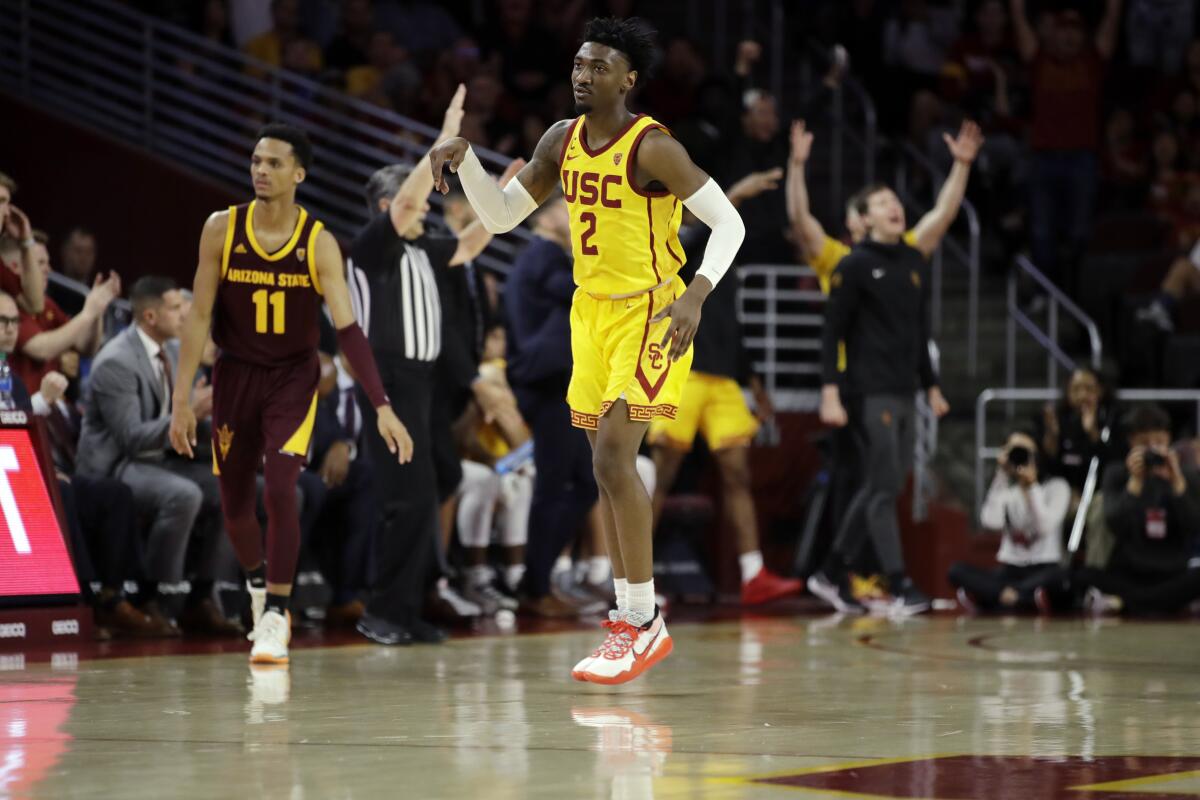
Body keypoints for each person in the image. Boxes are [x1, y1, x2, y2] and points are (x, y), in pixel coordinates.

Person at [430, 16, 746, 684]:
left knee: (611, 454)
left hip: (653, 312)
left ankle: (641, 619)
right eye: (578, 64)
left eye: (598, 66)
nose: (583, 74)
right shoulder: (558, 139)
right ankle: (632, 619)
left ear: (628, 79)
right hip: (592, 313)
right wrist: (468, 165)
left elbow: (729, 223)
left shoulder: (653, 147)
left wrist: (696, 294)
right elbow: (501, 216)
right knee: (603, 467)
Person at [169, 123, 412, 666]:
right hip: (234, 375)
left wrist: (383, 407)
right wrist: (182, 399)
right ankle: (257, 583)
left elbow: (349, 332)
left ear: (299, 174)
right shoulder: (221, 229)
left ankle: (278, 611)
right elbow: (199, 317)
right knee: (235, 502)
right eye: (257, 160)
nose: (261, 170)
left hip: (292, 380)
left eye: (275, 163)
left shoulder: (319, 241)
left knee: (281, 487)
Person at [346, 86, 517, 646]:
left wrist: (509, 194)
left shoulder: (427, 249)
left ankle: (408, 604)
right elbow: (403, 207)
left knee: (433, 487)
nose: (423, 210)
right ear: (385, 208)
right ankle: (381, 611)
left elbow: (471, 242)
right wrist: (441, 143)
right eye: (415, 204)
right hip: (387, 388)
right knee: (408, 498)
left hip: (422, 390)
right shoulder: (372, 249)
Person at [647, 168, 802, 606]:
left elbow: (731, 325)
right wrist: (736, 192)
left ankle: (754, 574)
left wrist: (755, 382)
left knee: (738, 474)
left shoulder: (725, 262)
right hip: (682, 368)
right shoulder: (680, 245)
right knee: (660, 477)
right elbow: (704, 228)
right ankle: (636, 579)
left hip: (723, 379)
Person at [809, 184, 951, 616]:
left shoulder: (912, 261)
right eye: (882, 203)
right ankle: (900, 583)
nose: (895, 207)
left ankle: (831, 571)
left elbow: (919, 329)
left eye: (896, 200)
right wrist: (830, 392)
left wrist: (932, 386)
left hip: (905, 389)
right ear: (864, 219)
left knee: (881, 484)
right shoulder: (854, 265)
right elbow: (832, 331)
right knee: (884, 487)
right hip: (867, 391)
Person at [78, 276, 239, 637]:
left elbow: (187, 421)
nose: (184, 315)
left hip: (164, 457)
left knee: (232, 488)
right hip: (119, 465)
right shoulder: (116, 361)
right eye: (174, 308)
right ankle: (153, 597)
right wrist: (190, 414)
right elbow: (131, 438)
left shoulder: (178, 351)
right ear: (150, 316)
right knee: (184, 495)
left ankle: (200, 599)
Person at [503, 199, 601, 618]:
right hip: (548, 386)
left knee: (584, 482)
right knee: (556, 486)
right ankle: (536, 587)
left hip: (556, 384)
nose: (578, 216)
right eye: (569, 209)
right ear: (544, 216)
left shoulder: (543, 258)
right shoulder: (543, 257)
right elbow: (585, 286)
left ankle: (535, 579)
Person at [1078, 404, 1200, 615]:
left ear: (1169, 439)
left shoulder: (1186, 476)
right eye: (1145, 443)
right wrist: (1134, 484)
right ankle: (1165, 602)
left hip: (1172, 571)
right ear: (1132, 442)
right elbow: (1115, 524)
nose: (1152, 449)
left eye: (1159, 442)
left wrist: (1177, 484)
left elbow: (1194, 526)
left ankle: (1129, 603)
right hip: (1129, 572)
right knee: (1080, 574)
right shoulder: (1117, 473)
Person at [950, 429, 1071, 614]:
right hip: (1010, 571)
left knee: (1061, 577)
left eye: (1025, 451)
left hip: (1044, 569)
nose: (1019, 456)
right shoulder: (1007, 490)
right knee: (957, 570)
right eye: (1014, 450)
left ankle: (1000, 598)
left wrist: (1031, 487)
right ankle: (1021, 598)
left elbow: (1045, 527)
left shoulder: (1057, 487)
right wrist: (1002, 474)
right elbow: (991, 522)